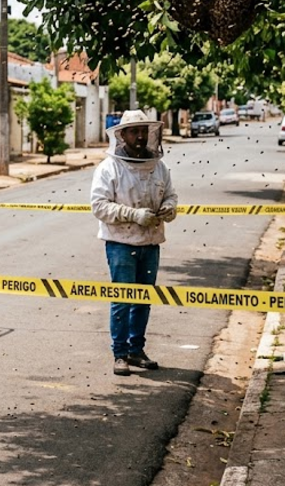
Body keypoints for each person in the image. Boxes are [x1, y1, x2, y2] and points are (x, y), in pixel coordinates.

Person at [90, 110, 178, 376]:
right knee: (122, 299)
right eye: (134, 131)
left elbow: (171, 195)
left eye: (143, 131)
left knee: (143, 299)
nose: (140, 136)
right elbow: (99, 206)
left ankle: (136, 349)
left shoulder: (159, 166)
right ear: (122, 135)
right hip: (121, 243)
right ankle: (120, 354)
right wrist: (133, 214)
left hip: (151, 243)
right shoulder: (109, 168)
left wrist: (169, 208)